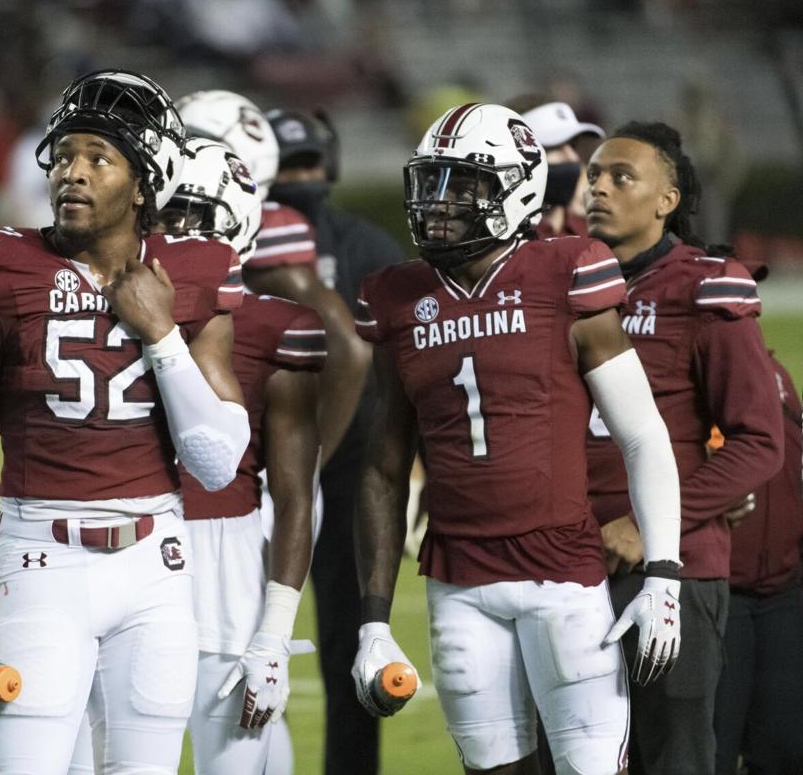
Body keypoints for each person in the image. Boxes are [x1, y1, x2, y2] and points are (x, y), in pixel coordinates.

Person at [0, 70, 249, 774]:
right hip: (42, 559)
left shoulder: (193, 272)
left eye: (99, 158)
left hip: (155, 563)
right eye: (65, 155)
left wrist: (161, 335)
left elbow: (218, 462)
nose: (72, 173)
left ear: (143, 181)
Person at [354, 103, 684, 775]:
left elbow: (644, 435)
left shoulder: (565, 270)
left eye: (463, 185)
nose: (439, 204)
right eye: (433, 182)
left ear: (519, 187)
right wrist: (374, 621)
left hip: (563, 573)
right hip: (459, 582)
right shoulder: (396, 296)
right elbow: (384, 470)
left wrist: (665, 576)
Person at [584, 123, 784, 775]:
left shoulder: (703, 286)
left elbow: (758, 442)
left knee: (674, 758)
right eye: (594, 176)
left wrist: (649, 526)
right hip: (566, 565)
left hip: (671, 569)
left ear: (667, 199)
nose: (599, 188)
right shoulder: (562, 283)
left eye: (621, 177)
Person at [149, 137, 326, 774]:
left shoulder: (275, 326)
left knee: (237, 752)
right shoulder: (94, 308)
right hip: (121, 539)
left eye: (192, 217)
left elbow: (298, 494)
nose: (175, 233)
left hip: (224, 553)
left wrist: (275, 630)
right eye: (165, 216)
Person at [262, 105, 394, 775]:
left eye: (309, 163)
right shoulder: (236, 240)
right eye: (287, 166)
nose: (299, 177)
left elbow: (405, 361)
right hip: (256, 468)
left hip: (349, 468)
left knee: (350, 641)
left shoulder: (367, 248)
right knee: (247, 641)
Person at [178, 89, 367, 469]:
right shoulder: (174, 212)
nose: (180, 153)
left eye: (194, 142)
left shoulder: (266, 226)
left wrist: (306, 465)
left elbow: (349, 348)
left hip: (241, 461)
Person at [710, 261, 803, 774]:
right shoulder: (689, 366)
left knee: (787, 747)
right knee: (712, 751)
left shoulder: (777, 372)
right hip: (722, 592)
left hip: (783, 589)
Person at [518, 100, 603, 239]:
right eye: (554, 146)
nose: (572, 157)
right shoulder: (502, 241)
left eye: (573, 145)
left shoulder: (594, 232)